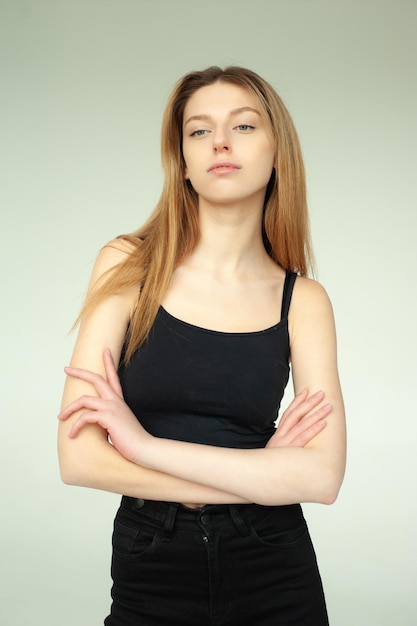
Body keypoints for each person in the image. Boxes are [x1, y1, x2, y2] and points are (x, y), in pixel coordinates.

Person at [58, 65, 346, 625]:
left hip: (272, 565)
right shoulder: (126, 265)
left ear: (277, 152)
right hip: (152, 562)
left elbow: (321, 478)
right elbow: (78, 458)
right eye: (198, 130)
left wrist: (143, 446)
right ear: (183, 163)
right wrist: (259, 473)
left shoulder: (304, 300)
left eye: (242, 127)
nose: (219, 142)